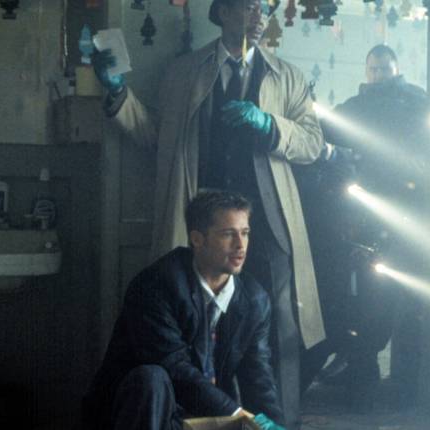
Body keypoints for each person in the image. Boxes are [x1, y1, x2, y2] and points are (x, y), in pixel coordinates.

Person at [91, 1, 325, 427]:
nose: (259, 17)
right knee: (189, 315)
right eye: (248, 7)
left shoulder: (287, 76)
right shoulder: (184, 72)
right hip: (202, 220)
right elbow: (156, 135)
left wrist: (270, 125)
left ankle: (277, 423)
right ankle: (193, 418)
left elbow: (312, 143)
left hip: (267, 220)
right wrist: (118, 95)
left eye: (263, 9)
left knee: (275, 327)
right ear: (222, 12)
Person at [298, 44, 430, 410]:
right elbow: (324, 128)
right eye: (373, 69)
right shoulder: (356, 107)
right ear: (366, 71)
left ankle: (402, 383)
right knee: (369, 299)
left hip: (410, 212)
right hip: (367, 213)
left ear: (396, 68)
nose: (379, 75)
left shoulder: (417, 102)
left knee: (407, 299)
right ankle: (362, 377)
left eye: (385, 68)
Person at [82, 191, 283, 430]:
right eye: (228, 234)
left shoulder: (255, 299)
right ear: (197, 239)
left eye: (245, 233)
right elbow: (173, 366)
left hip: (202, 413)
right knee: (152, 377)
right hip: (144, 411)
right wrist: (236, 413)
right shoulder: (155, 285)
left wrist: (273, 426)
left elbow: (258, 376)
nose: (240, 245)